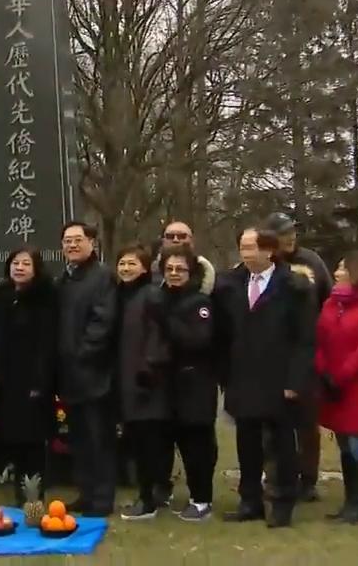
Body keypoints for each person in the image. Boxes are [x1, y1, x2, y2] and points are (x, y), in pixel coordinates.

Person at [216, 226, 315, 528]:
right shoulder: (231, 284)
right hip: (242, 379)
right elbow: (222, 334)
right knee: (248, 445)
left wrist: (294, 382)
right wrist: (226, 376)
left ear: (269, 250)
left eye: (251, 248)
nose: (245, 254)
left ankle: (283, 503)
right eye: (242, 248)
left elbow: (305, 340)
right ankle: (250, 502)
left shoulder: (293, 286)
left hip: (279, 381)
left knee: (282, 446)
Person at [262, 212, 330, 503]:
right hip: (272, 352)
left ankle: (308, 479)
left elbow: (327, 298)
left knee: (306, 421)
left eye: (292, 232)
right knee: (271, 421)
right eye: (283, 233)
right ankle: (276, 476)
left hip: (306, 349)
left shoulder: (312, 262)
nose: (290, 237)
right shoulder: (264, 264)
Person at [149, 221, 215, 507]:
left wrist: (166, 319)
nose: (174, 274)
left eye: (181, 269)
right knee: (162, 445)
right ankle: (161, 491)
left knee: (196, 448)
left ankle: (201, 500)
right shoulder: (157, 298)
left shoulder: (200, 302)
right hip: (163, 386)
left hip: (194, 386)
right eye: (169, 269)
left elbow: (196, 341)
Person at [55, 221, 117, 518]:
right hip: (70, 376)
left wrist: (82, 354)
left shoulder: (103, 277)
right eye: (67, 241)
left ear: (92, 242)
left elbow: (102, 322)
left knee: (98, 438)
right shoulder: (66, 279)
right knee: (78, 439)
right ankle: (86, 493)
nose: (72, 246)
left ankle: (103, 498)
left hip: (94, 373)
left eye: (78, 240)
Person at [314, 250, 358, 524]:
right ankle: (349, 502)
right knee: (343, 444)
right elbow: (318, 338)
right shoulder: (332, 303)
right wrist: (323, 371)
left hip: (356, 387)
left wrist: (340, 376)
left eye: (343, 268)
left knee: (357, 443)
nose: (337, 272)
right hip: (331, 384)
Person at [0, 246, 58, 506]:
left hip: (34, 381)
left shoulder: (45, 298)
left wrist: (40, 382)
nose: (19, 268)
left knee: (33, 441)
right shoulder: (2, 296)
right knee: (13, 440)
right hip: (8, 382)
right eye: (15, 263)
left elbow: (47, 343)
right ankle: (20, 494)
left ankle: (35, 496)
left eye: (25, 264)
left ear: (36, 268)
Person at [114, 243, 162, 520]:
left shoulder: (151, 295)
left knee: (147, 446)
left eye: (132, 263)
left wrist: (148, 371)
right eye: (122, 263)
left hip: (146, 384)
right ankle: (145, 496)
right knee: (135, 443)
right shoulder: (122, 296)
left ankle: (148, 501)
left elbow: (157, 337)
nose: (126, 268)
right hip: (126, 381)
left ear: (144, 268)